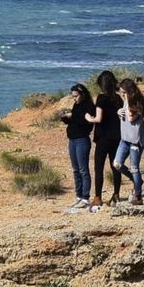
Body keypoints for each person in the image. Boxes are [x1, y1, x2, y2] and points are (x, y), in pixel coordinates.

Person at [57, 84, 94, 212]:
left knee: (83, 170)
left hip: (82, 140)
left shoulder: (89, 106)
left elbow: (87, 123)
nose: (74, 99)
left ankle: (85, 198)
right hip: (72, 140)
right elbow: (74, 121)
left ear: (83, 94)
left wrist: (72, 116)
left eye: (76, 96)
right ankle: (78, 196)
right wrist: (65, 118)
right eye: (73, 96)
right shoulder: (77, 105)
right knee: (75, 170)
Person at [88, 70, 121, 210]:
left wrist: (89, 118)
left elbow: (98, 118)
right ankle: (116, 194)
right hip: (117, 136)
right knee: (116, 167)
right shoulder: (118, 98)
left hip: (103, 137)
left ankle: (97, 197)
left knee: (99, 167)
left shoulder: (101, 98)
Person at [115, 77, 144, 205]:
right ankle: (137, 181)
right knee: (117, 164)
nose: (122, 95)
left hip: (135, 141)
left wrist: (128, 104)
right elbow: (123, 114)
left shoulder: (136, 103)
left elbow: (131, 118)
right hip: (124, 139)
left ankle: (138, 195)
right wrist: (119, 111)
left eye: (124, 92)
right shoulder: (126, 101)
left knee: (134, 167)